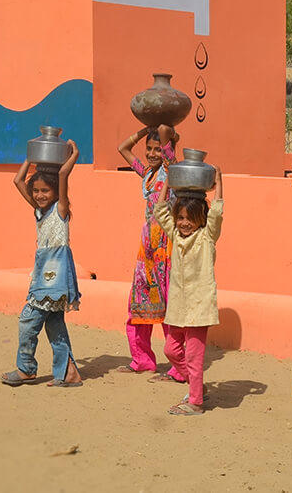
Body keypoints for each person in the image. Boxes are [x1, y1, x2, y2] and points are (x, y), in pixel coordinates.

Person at [2, 140, 84, 388]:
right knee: (55, 325)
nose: (39, 195)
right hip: (44, 276)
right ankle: (69, 373)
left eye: (45, 191)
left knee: (29, 319)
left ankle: (26, 368)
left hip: (54, 278)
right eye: (36, 191)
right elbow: (18, 181)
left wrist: (75, 155)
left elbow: (61, 174)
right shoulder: (40, 212)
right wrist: (31, 156)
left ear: (57, 193)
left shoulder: (60, 210)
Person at [114, 124, 184, 382]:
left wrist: (162, 127)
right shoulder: (147, 173)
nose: (153, 153)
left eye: (158, 149)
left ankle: (178, 365)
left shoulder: (171, 170)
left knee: (168, 304)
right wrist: (145, 129)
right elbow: (122, 148)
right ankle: (142, 359)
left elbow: (167, 140)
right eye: (149, 149)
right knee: (140, 301)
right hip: (147, 247)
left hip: (166, 244)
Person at [153, 172, 223, 416]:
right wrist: (169, 185)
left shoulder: (206, 237)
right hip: (178, 308)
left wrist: (219, 183)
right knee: (171, 350)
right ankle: (197, 386)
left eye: (190, 218)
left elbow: (216, 215)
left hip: (199, 309)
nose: (184, 223)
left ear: (200, 219)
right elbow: (160, 211)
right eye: (180, 217)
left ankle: (195, 402)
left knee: (194, 356)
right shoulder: (175, 235)